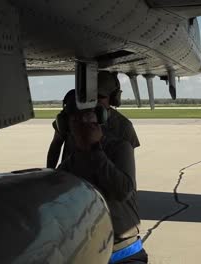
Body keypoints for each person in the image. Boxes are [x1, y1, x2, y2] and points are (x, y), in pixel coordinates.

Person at [56, 94, 148, 264]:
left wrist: (95, 150)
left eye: (88, 119)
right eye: (76, 121)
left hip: (123, 251)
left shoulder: (120, 148)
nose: (83, 126)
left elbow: (122, 191)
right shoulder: (71, 161)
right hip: (88, 251)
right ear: (67, 125)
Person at [46, 72, 140, 168]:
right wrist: (49, 174)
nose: (93, 100)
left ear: (113, 99)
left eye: (99, 96)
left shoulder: (124, 126)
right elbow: (55, 146)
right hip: (71, 180)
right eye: (90, 95)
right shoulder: (70, 117)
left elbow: (126, 167)